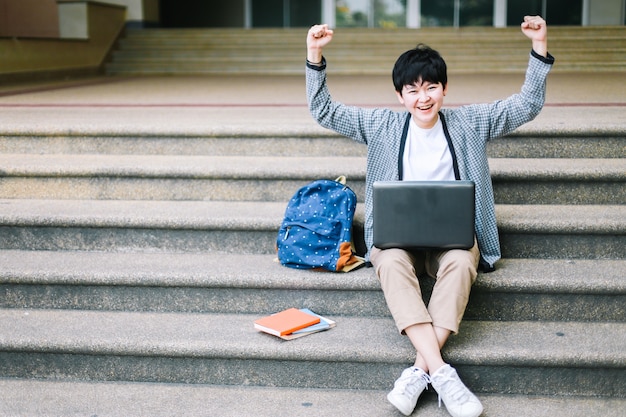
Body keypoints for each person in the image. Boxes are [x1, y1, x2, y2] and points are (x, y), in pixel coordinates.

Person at [305, 15, 553, 417]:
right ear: (400, 95)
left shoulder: (469, 122)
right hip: (398, 239)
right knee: (388, 260)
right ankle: (441, 372)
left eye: (431, 87)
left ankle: (419, 372)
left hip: (452, 238)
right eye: (413, 89)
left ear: (444, 89)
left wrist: (539, 45)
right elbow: (324, 110)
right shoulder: (382, 124)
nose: (423, 98)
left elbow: (526, 104)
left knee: (460, 261)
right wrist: (314, 55)